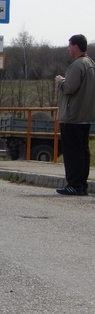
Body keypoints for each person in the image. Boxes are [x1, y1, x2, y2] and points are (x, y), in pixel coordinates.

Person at [54, 34, 95, 196]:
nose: (68, 48)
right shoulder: (91, 63)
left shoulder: (77, 65)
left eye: (69, 45)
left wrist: (60, 81)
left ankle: (74, 184)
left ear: (76, 47)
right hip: (85, 115)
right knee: (82, 151)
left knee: (72, 153)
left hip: (72, 116)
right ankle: (82, 184)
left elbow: (69, 88)